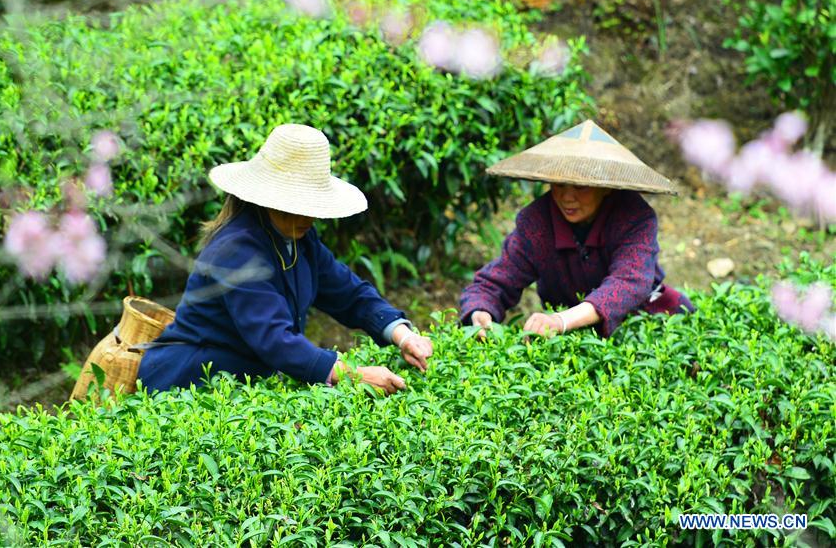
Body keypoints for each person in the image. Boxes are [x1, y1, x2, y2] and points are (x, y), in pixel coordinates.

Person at [139, 123, 432, 395]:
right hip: (189, 383)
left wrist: (402, 335)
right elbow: (274, 338)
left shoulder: (300, 238)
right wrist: (354, 374)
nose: (309, 215)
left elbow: (348, 292)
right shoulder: (235, 251)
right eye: (297, 204)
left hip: (242, 380)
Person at [460, 120, 695, 339]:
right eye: (559, 184)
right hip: (571, 335)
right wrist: (479, 312)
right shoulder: (536, 222)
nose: (567, 197)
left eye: (581, 187)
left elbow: (629, 282)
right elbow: (496, 280)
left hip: (646, 319)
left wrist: (561, 320)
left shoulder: (634, 216)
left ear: (606, 187)